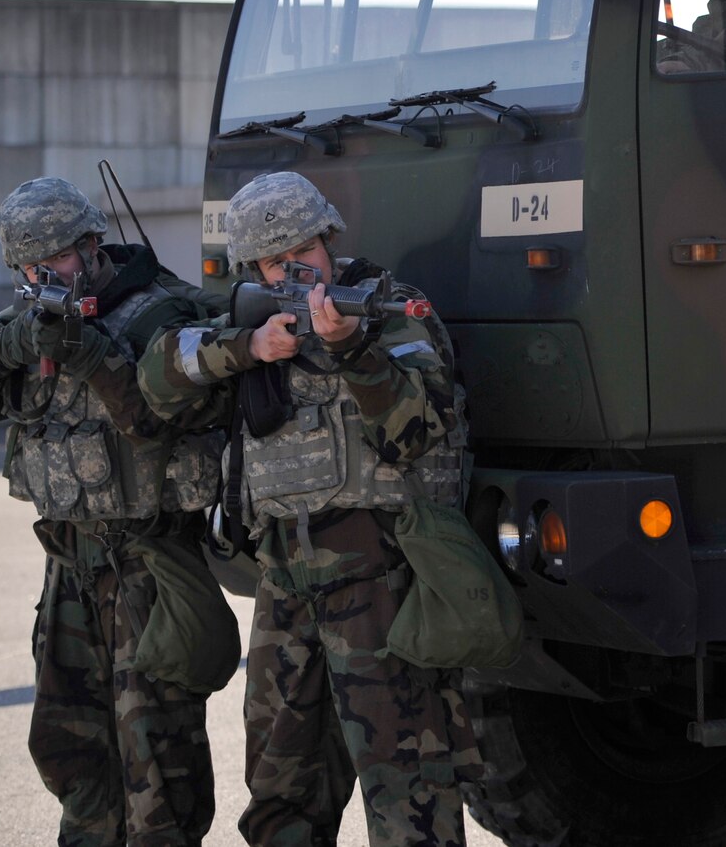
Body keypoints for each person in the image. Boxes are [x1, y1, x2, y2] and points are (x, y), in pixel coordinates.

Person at [137, 171, 479, 847]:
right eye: (273, 262)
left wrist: (354, 348)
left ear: (328, 238)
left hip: (378, 579)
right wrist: (248, 346)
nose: (293, 269)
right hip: (285, 583)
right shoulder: (252, 319)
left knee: (407, 789)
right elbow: (155, 377)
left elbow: (422, 427)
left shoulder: (388, 308)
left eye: (303, 251)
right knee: (278, 789)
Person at [0, 177, 227, 847]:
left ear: (92, 245)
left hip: (150, 567)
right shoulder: (31, 321)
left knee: (160, 769)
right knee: (70, 750)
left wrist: (88, 355)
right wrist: (9, 347)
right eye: (29, 268)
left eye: (55, 261)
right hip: (69, 572)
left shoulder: (158, 312)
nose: (43, 277)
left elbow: (158, 418)